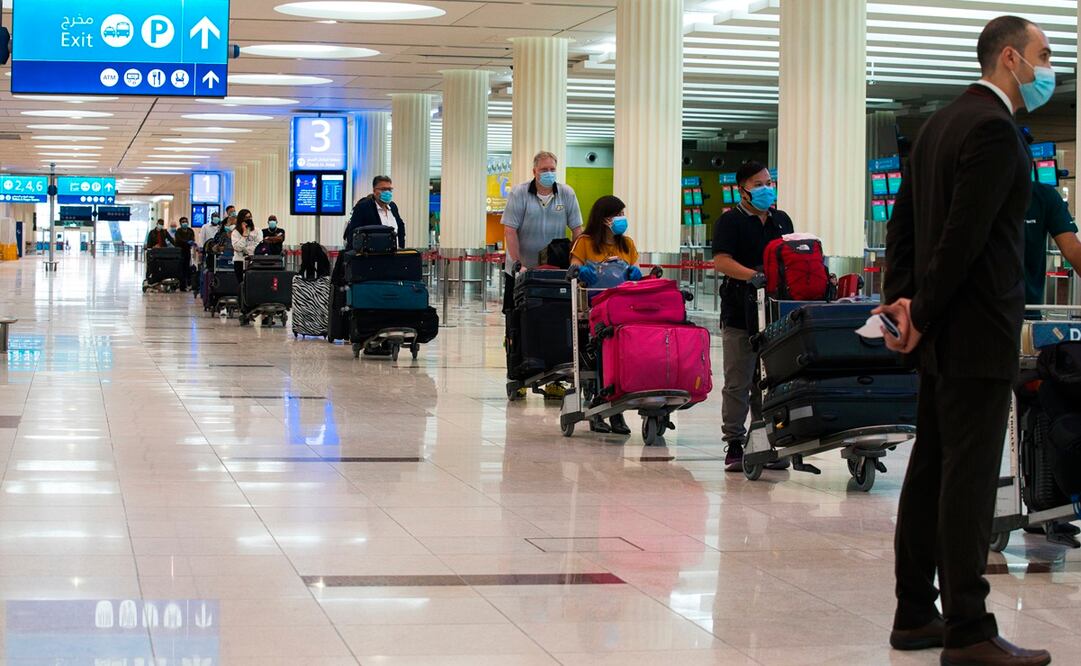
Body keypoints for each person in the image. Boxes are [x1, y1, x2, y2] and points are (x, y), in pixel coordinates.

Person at [877, 16, 1052, 666]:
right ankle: (969, 630)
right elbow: (964, 237)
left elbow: (905, 228)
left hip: (938, 332)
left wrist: (902, 307)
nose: (1045, 67)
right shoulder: (994, 131)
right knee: (968, 479)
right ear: (1009, 57)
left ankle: (914, 614)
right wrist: (917, 308)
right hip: (975, 330)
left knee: (930, 471)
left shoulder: (937, 126)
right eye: (1040, 55)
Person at [711, 160, 794, 473]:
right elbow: (721, 261)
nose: (766, 189)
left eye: (768, 182)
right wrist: (753, 275)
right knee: (739, 380)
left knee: (769, 379)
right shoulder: (730, 222)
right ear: (742, 189)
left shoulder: (781, 220)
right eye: (758, 184)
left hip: (773, 312)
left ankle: (765, 439)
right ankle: (734, 441)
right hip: (739, 312)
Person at [501, 151, 584, 398]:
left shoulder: (566, 194)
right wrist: (518, 264)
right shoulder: (519, 193)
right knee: (517, 323)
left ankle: (555, 379)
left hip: (554, 274)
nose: (549, 173)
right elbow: (509, 231)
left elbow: (578, 230)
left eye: (552, 169)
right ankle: (519, 375)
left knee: (557, 324)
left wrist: (576, 262)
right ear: (534, 172)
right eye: (544, 169)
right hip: (520, 272)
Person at [570, 195, 641, 435]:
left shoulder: (627, 245)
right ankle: (597, 404)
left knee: (623, 354)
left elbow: (634, 271)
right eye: (617, 215)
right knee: (600, 352)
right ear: (603, 219)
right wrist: (582, 272)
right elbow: (574, 268)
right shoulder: (585, 242)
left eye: (623, 214)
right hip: (594, 310)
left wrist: (634, 274)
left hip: (623, 309)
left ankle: (617, 409)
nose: (622, 219)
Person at [343, 176, 406, 250]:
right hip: (372, 257)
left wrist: (401, 248)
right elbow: (353, 233)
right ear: (374, 191)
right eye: (383, 189)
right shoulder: (363, 207)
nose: (387, 192)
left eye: (389, 189)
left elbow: (400, 227)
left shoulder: (393, 207)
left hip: (394, 255)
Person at [231, 209, 260, 284]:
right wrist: (244, 235)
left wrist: (245, 250)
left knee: (253, 284)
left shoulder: (257, 231)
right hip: (239, 261)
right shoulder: (235, 232)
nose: (249, 219)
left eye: (250, 217)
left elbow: (258, 246)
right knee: (241, 284)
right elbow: (237, 247)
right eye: (246, 218)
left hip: (253, 260)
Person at [174, 216, 197, 292]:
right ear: (180, 223)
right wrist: (186, 242)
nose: (185, 223)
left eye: (186, 221)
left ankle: (188, 284)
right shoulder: (178, 231)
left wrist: (190, 243)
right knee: (181, 269)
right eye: (183, 222)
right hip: (180, 252)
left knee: (187, 268)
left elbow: (192, 239)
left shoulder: (190, 231)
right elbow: (179, 240)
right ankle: (181, 286)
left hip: (187, 251)